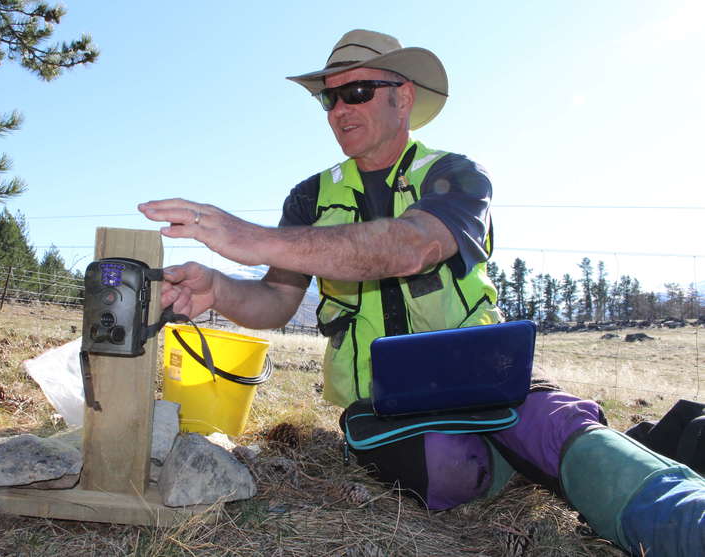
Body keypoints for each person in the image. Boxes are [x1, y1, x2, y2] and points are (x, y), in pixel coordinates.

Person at [140, 30, 704, 557]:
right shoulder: (309, 197)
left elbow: (412, 246)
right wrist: (218, 287)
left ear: (402, 97)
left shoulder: (455, 176)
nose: (340, 110)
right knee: (452, 469)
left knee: (551, 421)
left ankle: (677, 517)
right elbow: (276, 303)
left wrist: (254, 238)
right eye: (329, 99)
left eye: (356, 91)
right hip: (382, 408)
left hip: (487, 380)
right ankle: (557, 461)